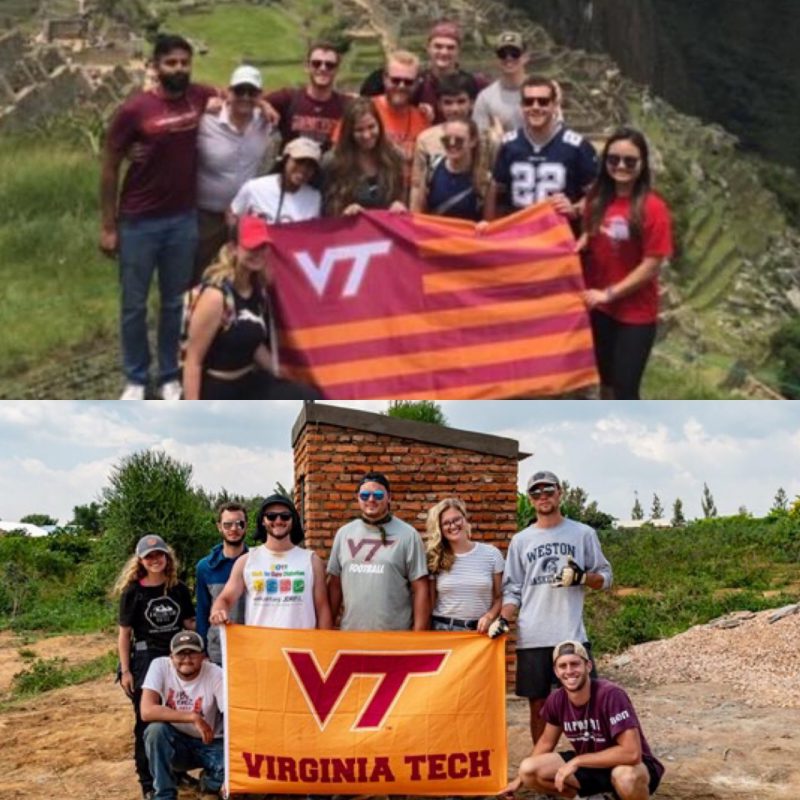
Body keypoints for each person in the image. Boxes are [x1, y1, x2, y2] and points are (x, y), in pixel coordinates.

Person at [99, 34, 219, 401]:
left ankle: (169, 373)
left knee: (173, 303)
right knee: (134, 304)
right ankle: (136, 376)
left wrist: (264, 108)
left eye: (184, 62)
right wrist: (108, 225)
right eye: (171, 63)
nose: (179, 69)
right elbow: (109, 165)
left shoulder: (198, 96)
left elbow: (228, 95)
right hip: (139, 221)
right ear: (156, 66)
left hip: (182, 220)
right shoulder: (136, 109)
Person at [491, 470, 612, 745]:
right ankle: (541, 766)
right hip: (533, 636)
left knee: (585, 702)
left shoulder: (582, 534)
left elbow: (606, 578)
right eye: (536, 492)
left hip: (570, 634)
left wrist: (583, 577)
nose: (542, 496)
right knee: (539, 706)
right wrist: (504, 618)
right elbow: (513, 588)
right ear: (530, 500)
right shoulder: (521, 540)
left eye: (548, 490)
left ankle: (591, 765)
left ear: (560, 492)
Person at [579, 127, 674, 400]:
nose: (620, 166)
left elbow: (651, 265)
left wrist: (608, 293)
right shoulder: (596, 200)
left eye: (629, 161)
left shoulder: (653, 208)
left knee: (626, 390)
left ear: (642, 164)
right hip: (600, 310)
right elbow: (588, 234)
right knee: (605, 383)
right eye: (613, 159)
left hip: (635, 313)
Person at [506, 641, 664, 800]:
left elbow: (631, 753)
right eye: (563, 666)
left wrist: (577, 761)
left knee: (625, 777)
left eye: (575, 664)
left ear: (588, 666)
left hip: (631, 766)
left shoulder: (611, 694)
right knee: (528, 769)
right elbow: (546, 742)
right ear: (555, 671)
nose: (569, 671)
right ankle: (592, 797)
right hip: (593, 764)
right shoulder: (557, 699)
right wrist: (519, 781)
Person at [113, 534, 195, 800]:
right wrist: (126, 671)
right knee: (146, 722)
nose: (155, 560)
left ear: (166, 556)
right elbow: (124, 634)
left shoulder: (178, 589)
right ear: (141, 561)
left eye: (159, 554)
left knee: (176, 711)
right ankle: (148, 782)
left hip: (177, 659)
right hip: (146, 660)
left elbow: (189, 623)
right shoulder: (133, 592)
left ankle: (173, 770)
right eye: (149, 557)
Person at [194, 64, 274, 280]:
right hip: (206, 216)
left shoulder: (265, 122)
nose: (245, 97)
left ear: (260, 96)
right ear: (229, 92)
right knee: (199, 272)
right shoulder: (205, 121)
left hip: (244, 217)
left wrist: (265, 106)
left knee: (240, 275)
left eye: (252, 92)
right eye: (240, 91)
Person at [209, 493, 332, 630]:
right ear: (263, 520)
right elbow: (225, 598)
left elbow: (322, 610)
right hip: (261, 648)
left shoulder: (312, 561)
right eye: (271, 516)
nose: (278, 520)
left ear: (293, 520)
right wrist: (219, 610)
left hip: (301, 648)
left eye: (285, 516)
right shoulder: (246, 561)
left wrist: (324, 648)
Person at [484, 77, 598, 222]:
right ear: (521, 105)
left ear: (555, 105)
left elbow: (597, 195)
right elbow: (496, 193)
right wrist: (490, 230)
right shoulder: (509, 144)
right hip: (519, 236)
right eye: (528, 102)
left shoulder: (577, 146)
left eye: (543, 102)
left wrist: (575, 209)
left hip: (559, 237)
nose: (535, 107)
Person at [327, 472, 429, 631]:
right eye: (365, 495)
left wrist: (419, 635)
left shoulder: (408, 535)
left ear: (389, 497)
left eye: (379, 494)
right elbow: (334, 585)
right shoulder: (344, 534)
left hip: (396, 637)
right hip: (352, 636)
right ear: (358, 498)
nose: (371, 499)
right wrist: (326, 629)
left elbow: (421, 587)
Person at [141, 630, 225, 800]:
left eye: (193, 653)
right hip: (176, 742)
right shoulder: (159, 665)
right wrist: (193, 717)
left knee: (234, 768)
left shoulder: (216, 673)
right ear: (171, 657)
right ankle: (164, 795)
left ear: (204, 656)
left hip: (210, 742)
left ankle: (208, 785)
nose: (187, 659)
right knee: (155, 731)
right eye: (181, 654)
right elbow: (146, 710)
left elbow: (230, 714)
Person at [360, 21, 484, 124]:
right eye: (438, 46)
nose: (444, 52)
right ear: (428, 48)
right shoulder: (415, 83)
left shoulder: (477, 84)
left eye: (450, 47)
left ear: (459, 50)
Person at [409, 73, 489, 212]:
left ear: (472, 102)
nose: (455, 109)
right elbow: (417, 186)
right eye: (448, 102)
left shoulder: (487, 139)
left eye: (461, 101)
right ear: (439, 105)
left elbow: (492, 186)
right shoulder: (426, 139)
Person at [425, 497, 504, 633]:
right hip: (442, 630)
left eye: (456, 519)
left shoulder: (491, 554)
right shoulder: (435, 558)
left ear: (465, 519)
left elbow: (500, 597)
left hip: (479, 632)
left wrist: (490, 616)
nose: (453, 525)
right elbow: (430, 601)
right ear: (440, 529)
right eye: (446, 523)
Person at [323, 96, 406, 216]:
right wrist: (343, 211)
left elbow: (401, 196)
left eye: (371, 127)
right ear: (349, 132)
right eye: (359, 130)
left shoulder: (394, 157)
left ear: (380, 125)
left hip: (384, 232)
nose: (366, 135)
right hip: (348, 231)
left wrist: (398, 204)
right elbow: (324, 208)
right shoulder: (333, 161)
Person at [266, 41, 349, 149]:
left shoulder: (347, 105)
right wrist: (264, 105)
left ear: (337, 70)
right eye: (316, 63)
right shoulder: (288, 98)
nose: (323, 68)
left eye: (330, 65)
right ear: (307, 66)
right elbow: (248, 98)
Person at [195, 502, 249, 665]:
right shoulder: (205, 567)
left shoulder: (257, 563)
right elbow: (202, 611)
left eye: (239, 524)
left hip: (251, 647)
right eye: (227, 524)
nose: (234, 529)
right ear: (219, 527)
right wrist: (202, 649)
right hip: (218, 650)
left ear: (246, 526)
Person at [371, 50, 431, 196]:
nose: (401, 86)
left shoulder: (423, 118)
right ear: (385, 79)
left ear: (417, 83)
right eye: (395, 80)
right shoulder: (365, 110)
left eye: (408, 81)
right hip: (372, 193)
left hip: (409, 195)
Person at [229, 136, 322, 224]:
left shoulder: (314, 197)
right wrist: (236, 237)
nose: (303, 169)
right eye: (299, 161)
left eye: (310, 165)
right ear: (285, 160)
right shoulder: (254, 188)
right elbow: (234, 214)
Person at [411, 118, 484, 220]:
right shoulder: (432, 168)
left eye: (459, 140)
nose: (452, 143)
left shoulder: (484, 178)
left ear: (473, 141)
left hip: (466, 235)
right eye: (446, 139)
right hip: (435, 234)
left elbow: (489, 224)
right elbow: (418, 213)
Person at [473, 31, 529, 137]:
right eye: (502, 54)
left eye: (515, 53)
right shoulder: (485, 98)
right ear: (496, 59)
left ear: (525, 57)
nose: (509, 58)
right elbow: (480, 137)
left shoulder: (541, 92)